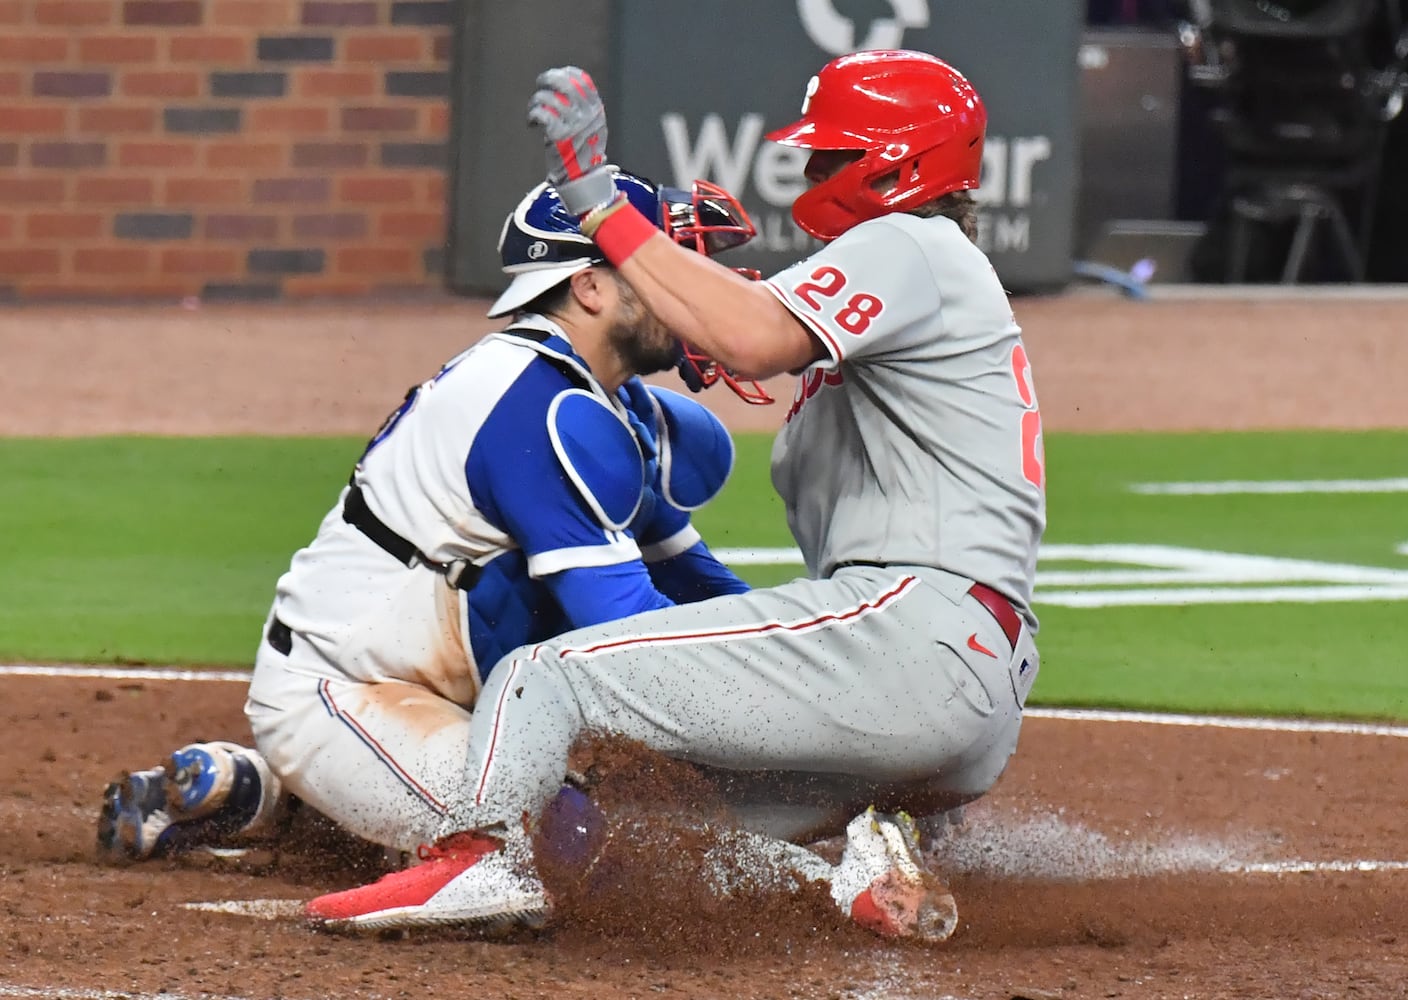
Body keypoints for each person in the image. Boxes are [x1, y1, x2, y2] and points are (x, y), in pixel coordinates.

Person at [304, 50, 1047, 944]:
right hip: (959, 689)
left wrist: (600, 206)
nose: (810, 175)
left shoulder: (909, 244)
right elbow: (759, 331)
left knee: (547, 680)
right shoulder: (932, 279)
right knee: (664, 815)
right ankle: (870, 849)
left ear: (898, 162)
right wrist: (703, 318)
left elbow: (756, 333)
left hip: (909, 635)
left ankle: (482, 861)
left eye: (832, 157)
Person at [96, 169, 762, 863]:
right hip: (343, 694)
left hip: (441, 697)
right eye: (665, 261)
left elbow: (698, 589)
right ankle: (297, 783)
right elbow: (630, 638)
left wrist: (810, 675)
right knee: (567, 861)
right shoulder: (542, 411)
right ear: (590, 288)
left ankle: (261, 800)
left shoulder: (616, 407)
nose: (694, 287)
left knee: (620, 806)